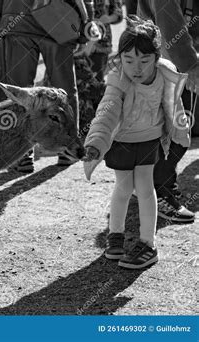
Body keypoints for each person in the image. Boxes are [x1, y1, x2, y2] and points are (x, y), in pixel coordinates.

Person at [83, 16, 191, 269]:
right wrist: (97, 140)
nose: (137, 68)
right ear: (120, 58)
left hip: (149, 140)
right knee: (122, 188)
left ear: (156, 57)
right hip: (121, 142)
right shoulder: (118, 80)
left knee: (145, 188)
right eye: (129, 60)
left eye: (145, 60)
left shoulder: (166, 75)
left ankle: (148, 243)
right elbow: (107, 111)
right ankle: (116, 235)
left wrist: (180, 131)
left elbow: (174, 105)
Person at [0, 0, 95, 171]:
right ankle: (70, 148)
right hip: (57, 18)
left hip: (17, 17)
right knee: (64, 86)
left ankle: (20, 154)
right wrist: (85, 27)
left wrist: (0, 18)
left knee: (18, 89)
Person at [138, 0, 197, 223]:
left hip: (164, 60)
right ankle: (160, 191)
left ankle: (148, 186)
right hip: (159, 62)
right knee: (176, 135)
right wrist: (191, 65)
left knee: (175, 132)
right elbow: (168, 20)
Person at [77, 0, 123, 81]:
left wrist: (108, 18)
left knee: (95, 83)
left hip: (100, 46)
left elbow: (118, 14)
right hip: (75, 43)